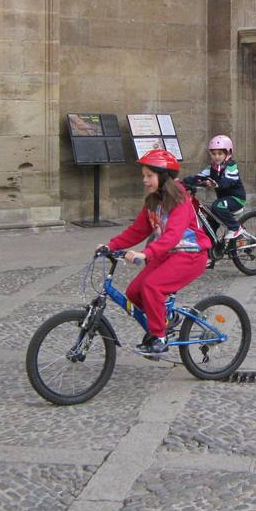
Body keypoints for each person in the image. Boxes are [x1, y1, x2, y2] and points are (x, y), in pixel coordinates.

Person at [100, 148, 210, 357]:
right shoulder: (153, 202)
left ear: (163, 177)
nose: (145, 180)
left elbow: (173, 236)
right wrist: (111, 246)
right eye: (144, 176)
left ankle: (159, 338)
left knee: (152, 287)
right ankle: (166, 320)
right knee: (134, 292)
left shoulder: (180, 200)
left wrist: (146, 254)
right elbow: (137, 231)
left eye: (149, 176)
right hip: (166, 255)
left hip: (191, 255)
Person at [181, 134, 250, 245]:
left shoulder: (231, 166)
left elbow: (229, 180)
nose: (216, 156)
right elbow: (198, 177)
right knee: (210, 219)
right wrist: (182, 183)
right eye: (213, 154)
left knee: (217, 206)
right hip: (223, 200)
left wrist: (216, 183)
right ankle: (208, 248)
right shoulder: (212, 168)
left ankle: (236, 228)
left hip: (236, 199)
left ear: (228, 153)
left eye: (220, 153)